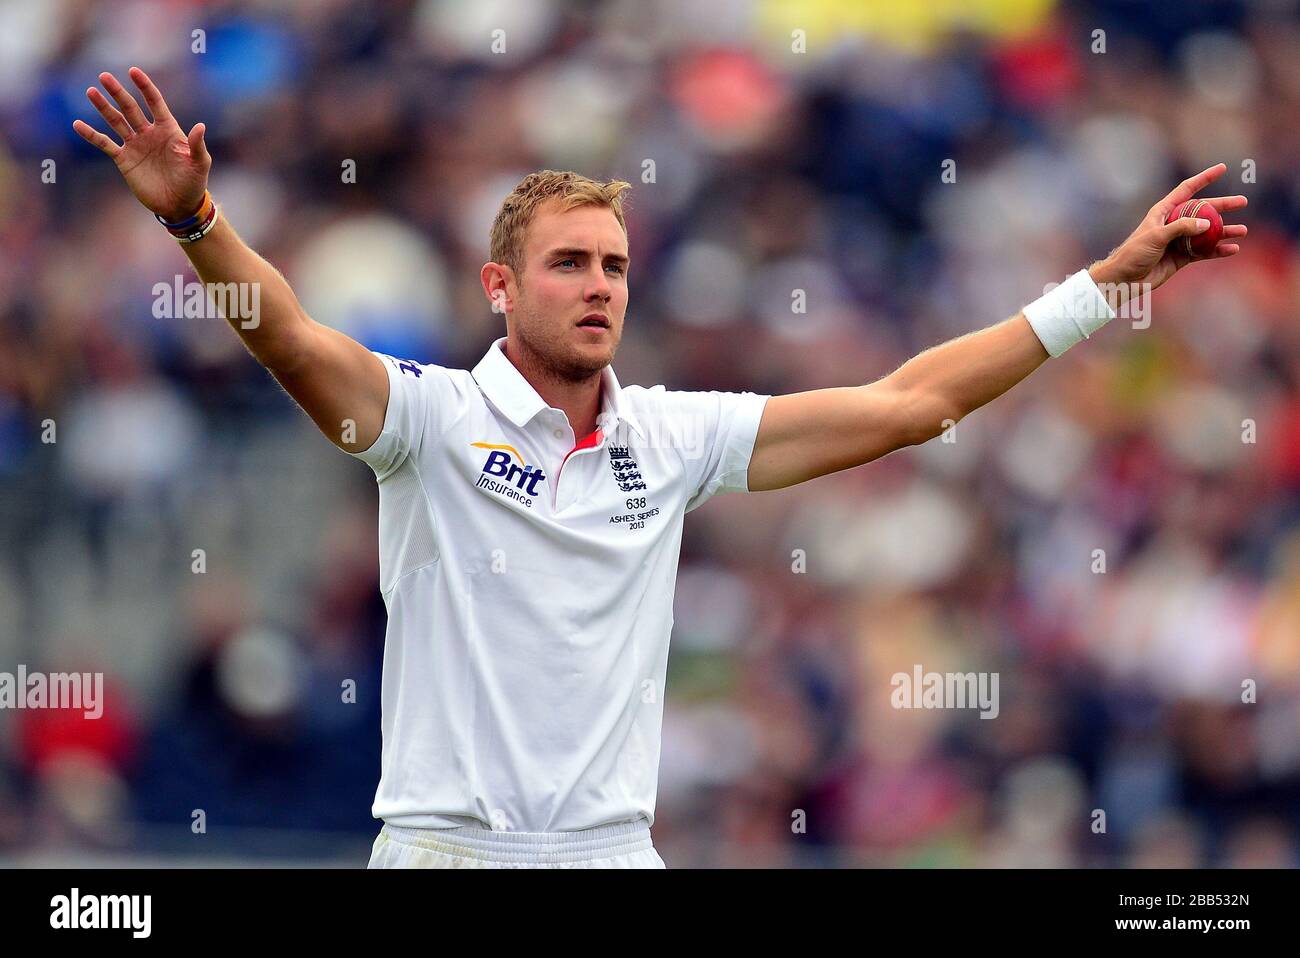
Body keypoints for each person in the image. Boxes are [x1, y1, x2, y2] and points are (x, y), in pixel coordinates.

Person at [74, 67, 1248, 868]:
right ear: (498, 287)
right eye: (569, 263)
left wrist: (1106, 287)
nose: (599, 286)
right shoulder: (425, 424)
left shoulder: (672, 438)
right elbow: (288, 332)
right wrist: (196, 222)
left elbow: (908, 404)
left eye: (616, 266)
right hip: (449, 850)